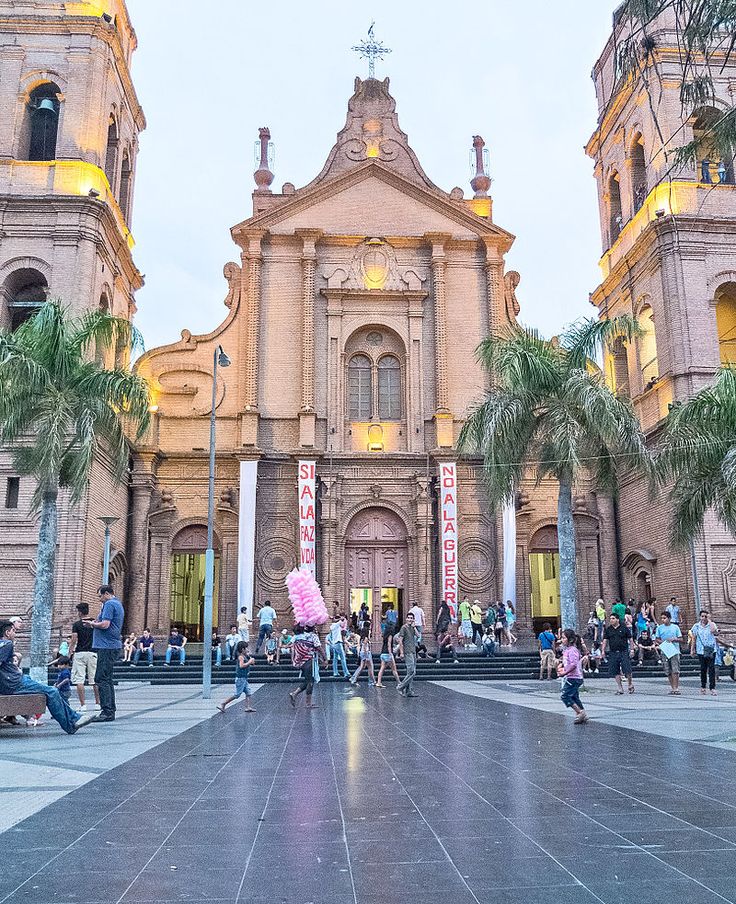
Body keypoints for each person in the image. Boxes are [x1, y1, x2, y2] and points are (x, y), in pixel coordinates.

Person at [0, 621, 96, 734]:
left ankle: (74, 717)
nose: (14, 633)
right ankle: (72, 723)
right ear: (7, 632)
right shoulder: (7, 644)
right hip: (15, 683)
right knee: (52, 691)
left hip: (16, 679)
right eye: (13, 631)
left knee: (44, 688)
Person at [90, 585, 124, 722]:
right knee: (106, 678)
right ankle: (110, 709)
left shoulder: (109, 604)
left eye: (100, 596)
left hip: (107, 646)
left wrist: (93, 624)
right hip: (110, 645)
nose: (99, 599)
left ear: (107, 594)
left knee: (101, 678)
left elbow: (105, 624)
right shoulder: (117, 604)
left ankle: (107, 711)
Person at [70, 602, 99, 710]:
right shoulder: (94, 622)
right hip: (93, 653)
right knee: (94, 679)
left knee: (79, 680)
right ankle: (97, 703)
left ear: (80, 612)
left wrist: (70, 652)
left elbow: (74, 639)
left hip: (80, 653)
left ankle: (83, 705)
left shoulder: (77, 625)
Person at [289, 625, 324, 708]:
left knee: (308, 680)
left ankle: (294, 694)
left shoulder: (298, 636)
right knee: (310, 681)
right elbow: (319, 647)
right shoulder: (313, 636)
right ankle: (308, 703)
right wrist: (325, 658)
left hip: (300, 661)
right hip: (309, 661)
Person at [558, 629, 588, 724]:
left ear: (570, 640)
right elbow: (567, 662)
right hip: (573, 677)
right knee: (574, 696)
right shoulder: (568, 650)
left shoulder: (573, 650)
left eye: (563, 638)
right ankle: (583, 713)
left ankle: (579, 713)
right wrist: (561, 665)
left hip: (574, 677)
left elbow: (573, 664)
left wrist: (565, 672)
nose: (562, 640)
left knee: (565, 696)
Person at [217, 642, 256, 713]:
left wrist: (251, 661)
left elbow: (249, 664)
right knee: (237, 695)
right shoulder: (241, 657)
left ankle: (247, 707)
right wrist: (249, 662)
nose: (247, 649)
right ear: (242, 649)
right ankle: (223, 703)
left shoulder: (245, 656)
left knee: (248, 692)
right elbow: (241, 666)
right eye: (246, 648)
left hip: (244, 678)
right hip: (240, 679)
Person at [601, 612, 634, 695]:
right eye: (610, 619)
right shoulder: (609, 629)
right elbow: (605, 640)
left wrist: (632, 649)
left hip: (623, 651)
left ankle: (630, 684)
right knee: (615, 670)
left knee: (627, 669)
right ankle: (620, 688)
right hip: (613, 652)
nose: (611, 620)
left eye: (613, 618)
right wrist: (603, 650)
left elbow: (630, 639)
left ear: (617, 619)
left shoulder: (624, 628)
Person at [690, 609, 719, 696]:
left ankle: (712, 688)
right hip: (701, 650)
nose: (704, 618)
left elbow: (715, 632)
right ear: (700, 617)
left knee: (711, 669)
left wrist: (709, 621)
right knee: (703, 668)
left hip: (711, 650)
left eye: (706, 616)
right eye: (702, 616)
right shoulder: (696, 626)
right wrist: (692, 649)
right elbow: (694, 638)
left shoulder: (711, 624)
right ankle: (703, 686)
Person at [654, 611, 682, 695]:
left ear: (669, 618)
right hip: (665, 649)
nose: (663, 620)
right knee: (668, 670)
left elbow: (681, 639)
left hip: (674, 650)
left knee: (675, 669)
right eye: (662, 618)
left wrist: (673, 639)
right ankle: (672, 687)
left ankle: (676, 687)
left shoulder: (675, 627)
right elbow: (657, 639)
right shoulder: (660, 628)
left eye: (665, 618)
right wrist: (662, 642)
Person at [396, 612, 419, 697]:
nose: (410, 619)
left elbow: (418, 635)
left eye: (411, 618)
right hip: (407, 651)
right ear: (406, 619)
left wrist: (414, 627)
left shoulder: (412, 628)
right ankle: (400, 687)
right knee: (412, 671)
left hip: (413, 651)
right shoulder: (404, 628)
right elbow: (400, 641)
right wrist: (401, 652)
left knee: (411, 672)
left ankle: (408, 691)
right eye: (408, 618)